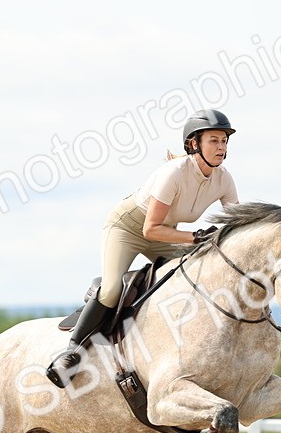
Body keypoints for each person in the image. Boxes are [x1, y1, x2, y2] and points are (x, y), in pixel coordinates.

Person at [45, 109, 240, 388]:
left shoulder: (224, 179)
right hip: (128, 228)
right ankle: (71, 353)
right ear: (194, 144)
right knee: (111, 290)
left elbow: (235, 224)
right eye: (214, 140)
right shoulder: (173, 173)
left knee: (193, 279)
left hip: (165, 233)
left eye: (224, 141)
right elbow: (150, 230)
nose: (221, 147)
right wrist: (195, 237)